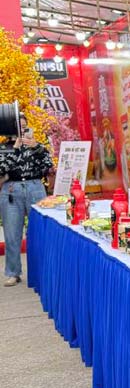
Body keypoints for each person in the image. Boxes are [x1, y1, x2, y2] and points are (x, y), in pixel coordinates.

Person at [0, 115, 52, 286]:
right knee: (12, 233)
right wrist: (15, 149)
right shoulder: (4, 147)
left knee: (40, 231)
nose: (22, 131)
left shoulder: (37, 146)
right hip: (11, 189)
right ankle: (13, 272)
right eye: (18, 127)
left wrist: (37, 147)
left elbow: (47, 165)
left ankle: (44, 271)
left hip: (35, 187)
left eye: (24, 126)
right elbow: (2, 170)